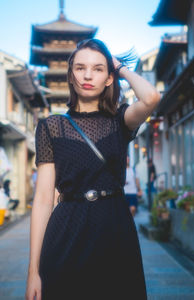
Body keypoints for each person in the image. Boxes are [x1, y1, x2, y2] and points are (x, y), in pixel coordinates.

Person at [25, 39, 160, 300]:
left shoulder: (121, 120)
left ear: (109, 78)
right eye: (80, 68)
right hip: (66, 230)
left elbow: (152, 97)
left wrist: (120, 68)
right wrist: (33, 271)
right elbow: (42, 200)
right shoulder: (51, 127)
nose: (88, 75)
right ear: (71, 75)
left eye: (98, 69)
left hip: (114, 228)